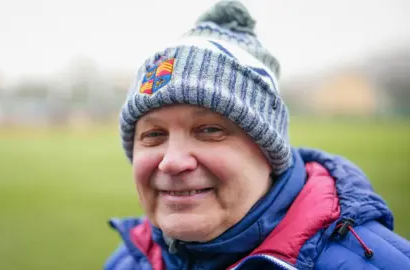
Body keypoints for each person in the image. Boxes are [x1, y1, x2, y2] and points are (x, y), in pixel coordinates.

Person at [104, 1, 410, 269]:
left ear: (269, 151)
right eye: (154, 134)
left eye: (210, 130)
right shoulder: (128, 260)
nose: (172, 162)